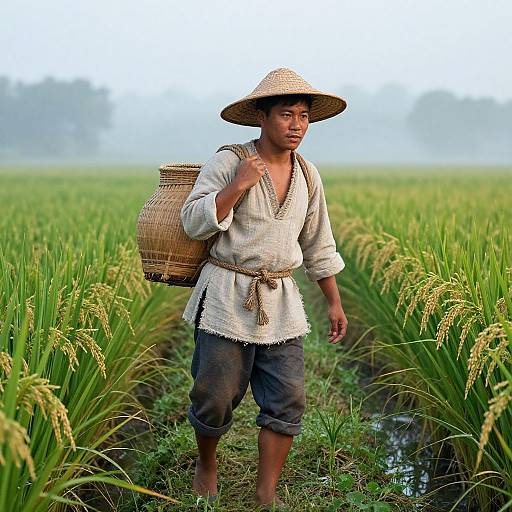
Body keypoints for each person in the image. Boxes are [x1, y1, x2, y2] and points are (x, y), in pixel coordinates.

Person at [180, 67, 348, 510]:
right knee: (214, 396)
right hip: (225, 297)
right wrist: (237, 186)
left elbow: (318, 241)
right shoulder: (229, 161)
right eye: (286, 115)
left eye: (304, 116)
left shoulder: (308, 175)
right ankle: (207, 465)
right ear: (262, 117)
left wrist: (333, 301)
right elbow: (193, 222)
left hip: (281, 303)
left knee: (288, 398)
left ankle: (266, 491)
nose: (296, 125)